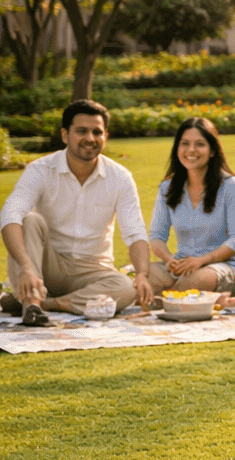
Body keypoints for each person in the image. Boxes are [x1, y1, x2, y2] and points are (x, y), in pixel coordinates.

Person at [0, 100, 153, 326]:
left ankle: (45, 304)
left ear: (105, 136)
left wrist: (141, 273)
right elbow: (10, 215)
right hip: (45, 265)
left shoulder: (120, 177)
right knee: (28, 219)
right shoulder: (41, 169)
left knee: (126, 289)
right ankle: (32, 301)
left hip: (93, 270)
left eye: (96, 132)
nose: (90, 138)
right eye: (81, 131)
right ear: (65, 135)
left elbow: (135, 232)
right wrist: (25, 267)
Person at [148, 117, 235, 301]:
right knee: (144, 276)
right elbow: (156, 236)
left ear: (212, 150)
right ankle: (196, 301)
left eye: (200, 144)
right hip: (183, 264)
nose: (191, 150)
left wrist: (201, 261)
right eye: (185, 144)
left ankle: (165, 303)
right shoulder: (167, 188)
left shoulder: (231, 186)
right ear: (177, 149)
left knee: (193, 281)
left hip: (223, 267)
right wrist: (169, 259)